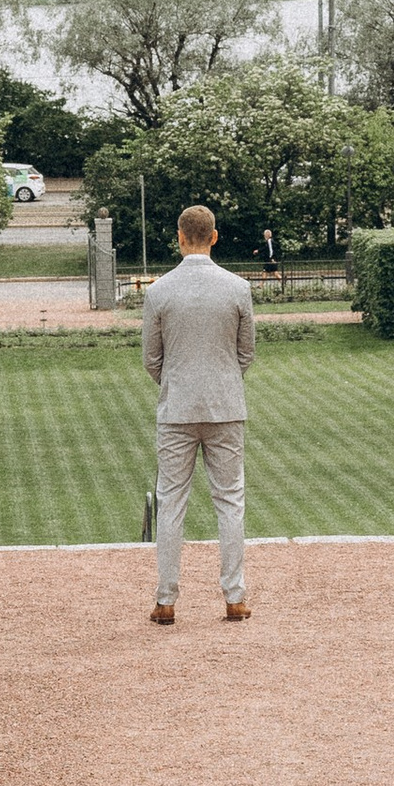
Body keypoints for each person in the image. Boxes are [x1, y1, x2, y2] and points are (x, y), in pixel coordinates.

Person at [141, 200, 256, 626]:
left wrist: (175, 384)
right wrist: (223, 380)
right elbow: (246, 353)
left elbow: (151, 359)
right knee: (230, 501)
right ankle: (235, 597)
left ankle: (166, 600)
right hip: (225, 406)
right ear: (214, 237)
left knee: (171, 502)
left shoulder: (159, 291)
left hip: (177, 409)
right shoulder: (238, 288)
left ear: (179, 238)